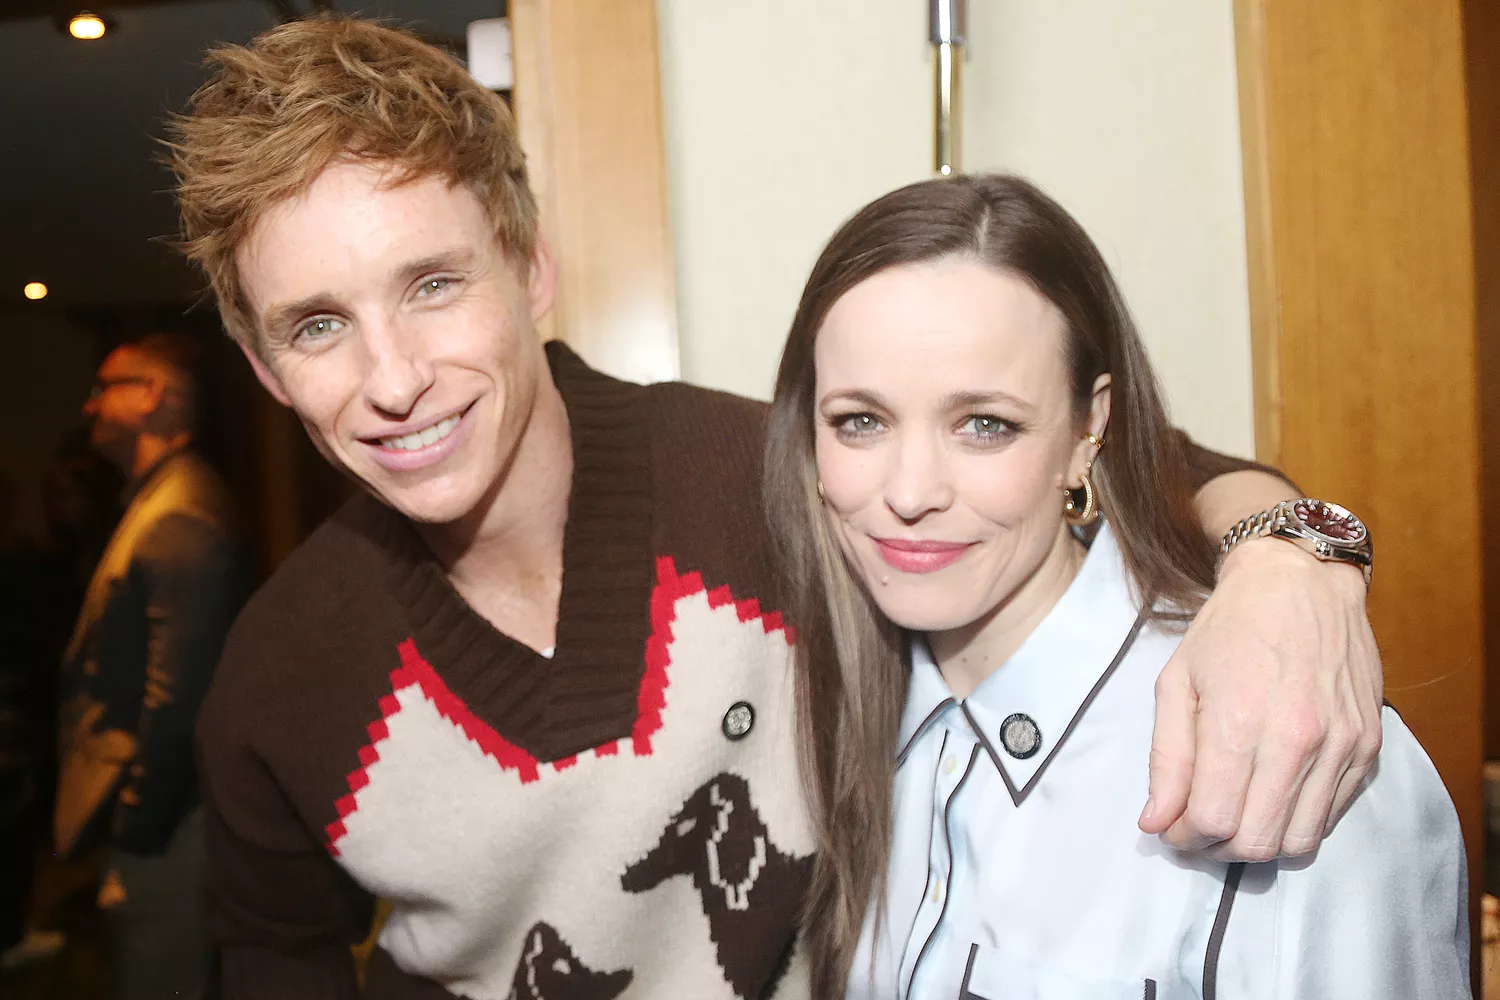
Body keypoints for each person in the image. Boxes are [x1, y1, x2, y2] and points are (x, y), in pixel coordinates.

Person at [171, 17, 1384, 998]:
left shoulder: (767, 479)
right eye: (318, 325)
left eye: (433, 285)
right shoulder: (279, 678)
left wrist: (1292, 562)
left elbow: (1115, 450)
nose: (392, 380)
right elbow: (277, 963)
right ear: (269, 369)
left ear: (531, 269)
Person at [763, 173, 1466, 998]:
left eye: (984, 424)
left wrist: (1299, 553)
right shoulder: (828, 703)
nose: (911, 492)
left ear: (1088, 429)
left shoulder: (1281, 734)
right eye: (861, 421)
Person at [57, 332, 253, 999]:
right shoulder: (158, 498)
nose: (89, 407)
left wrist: (138, 824)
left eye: (104, 387)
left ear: (153, 397)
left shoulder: (180, 513)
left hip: (169, 831)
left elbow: (179, 701)